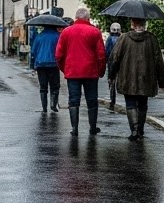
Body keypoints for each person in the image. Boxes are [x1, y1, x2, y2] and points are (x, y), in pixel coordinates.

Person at [109, 18, 164, 140]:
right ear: (144, 25)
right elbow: (158, 61)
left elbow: (115, 58)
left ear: (132, 24)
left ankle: (134, 130)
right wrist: (162, 81)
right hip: (146, 78)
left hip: (127, 78)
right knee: (142, 104)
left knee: (130, 104)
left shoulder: (124, 38)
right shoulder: (152, 39)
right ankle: (140, 129)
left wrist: (112, 75)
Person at [56, 7, 106, 136]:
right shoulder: (95, 32)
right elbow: (101, 55)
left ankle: (75, 128)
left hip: (72, 71)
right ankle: (93, 127)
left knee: (73, 99)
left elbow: (59, 55)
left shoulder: (66, 32)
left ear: (76, 17)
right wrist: (101, 71)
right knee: (91, 100)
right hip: (90, 71)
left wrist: (64, 68)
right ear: (88, 18)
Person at [30, 22, 63, 115]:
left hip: (41, 65)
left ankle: (44, 108)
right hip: (54, 64)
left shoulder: (39, 36)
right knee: (55, 87)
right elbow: (61, 50)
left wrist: (33, 65)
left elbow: (33, 51)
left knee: (43, 87)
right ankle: (53, 105)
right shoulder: (58, 36)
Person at [105, 23, 122, 110]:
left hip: (112, 61)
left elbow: (107, 51)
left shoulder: (109, 39)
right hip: (121, 62)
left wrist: (106, 60)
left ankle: (112, 100)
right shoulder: (121, 38)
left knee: (111, 79)